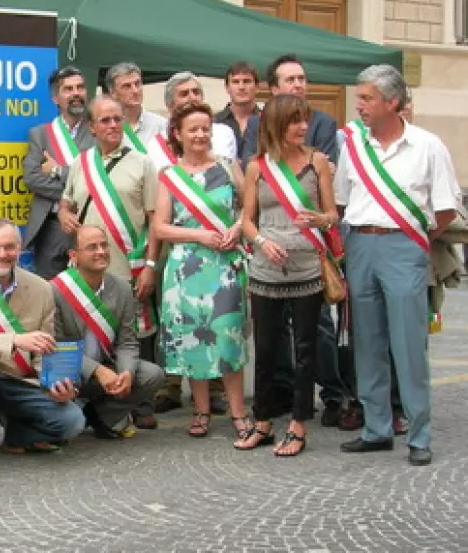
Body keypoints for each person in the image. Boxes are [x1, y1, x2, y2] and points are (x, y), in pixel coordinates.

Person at [336, 65, 460, 466]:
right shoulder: (353, 146)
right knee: (367, 341)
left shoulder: (428, 145)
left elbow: (445, 208)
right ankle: (376, 428)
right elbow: (341, 201)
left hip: (404, 246)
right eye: (359, 98)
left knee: (408, 343)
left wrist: (414, 237)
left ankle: (419, 433)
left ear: (393, 102)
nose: (359, 106)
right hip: (360, 244)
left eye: (367, 98)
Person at [241, 54, 345, 426]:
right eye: (295, 121)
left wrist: (322, 218)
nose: (304, 127)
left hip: (306, 266)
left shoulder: (318, 162)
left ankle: (301, 423)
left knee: (306, 348)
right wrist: (260, 243)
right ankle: (264, 421)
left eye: (305, 119)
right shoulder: (257, 166)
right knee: (266, 349)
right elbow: (246, 221)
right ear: (277, 124)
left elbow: (333, 214)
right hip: (267, 268)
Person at [57, 96, 162, 430]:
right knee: (87, 337)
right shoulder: (80, 163)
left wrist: (150, 264)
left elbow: (154, 219)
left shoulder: (143, 163)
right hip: (88, 271)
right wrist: (63, 213)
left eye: (117, 119)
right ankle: (95, 402)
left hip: (128, 265)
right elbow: (67, 202)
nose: (113, 125)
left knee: (137, 336)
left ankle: (139, 403)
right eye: (105, 120)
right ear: (92, 126)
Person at [152, 101, 251, 440]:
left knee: (228, 338)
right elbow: (161, 228)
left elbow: (250, 209)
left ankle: (238, 412)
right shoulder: (169, 176)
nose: (200, 134)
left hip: (223, 265)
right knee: (194, 340)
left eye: (205, 128)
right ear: (178, 134)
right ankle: (201, 410)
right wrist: (200, 235)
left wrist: (237, 229)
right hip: (186, 270)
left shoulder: (227, 167)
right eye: (192, 129)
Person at [0, 218, 80, 471]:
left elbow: (46, 347)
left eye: (9, 247)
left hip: (20, 382)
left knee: (72, 421)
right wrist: (14, 340)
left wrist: (54, 383)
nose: (2, 254)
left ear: (20, 249)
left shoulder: (42, 288)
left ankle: (17, 434)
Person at [51, 226, 165, 441]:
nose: (101, 251)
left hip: (108, 371)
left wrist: (127, 373)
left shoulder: (122, 288)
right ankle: (68, 414)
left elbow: (128, 342)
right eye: (92, 247)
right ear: (74, 255)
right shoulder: (55, 291)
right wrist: (97, 371)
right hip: (68, 372)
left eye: (104, 245)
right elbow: (55, 347)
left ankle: (99, 416)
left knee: (152, 374)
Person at [23, 65, 96, 280]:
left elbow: (99, 178)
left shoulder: (98, 131)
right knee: (51, 293)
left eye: (80, 87)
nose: (76, 93)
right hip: (52, 228)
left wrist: (57, 170)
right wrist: (76, 187)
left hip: (91, 224)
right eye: (68, 89)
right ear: (56, 98)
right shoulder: (40, 134)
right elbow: (33, 178)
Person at [145, 72, 238, 170]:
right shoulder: (156, 145)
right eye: (184, 94)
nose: (192, 98)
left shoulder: (223, 133)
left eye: (196, 92)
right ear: (170, 105)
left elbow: (225, 172)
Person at [103, 62, 166, 145]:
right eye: (127, 86)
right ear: (113, 93)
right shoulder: (105, 128)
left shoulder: (161, 125)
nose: (135, 90)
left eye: (137, 84)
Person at [214, 61, 261, 159]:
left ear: (257, 87)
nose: (241, 87)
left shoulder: (268, 121)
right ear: (227, 88)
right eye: (235, 82)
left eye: (247, 81)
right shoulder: (214, 122)